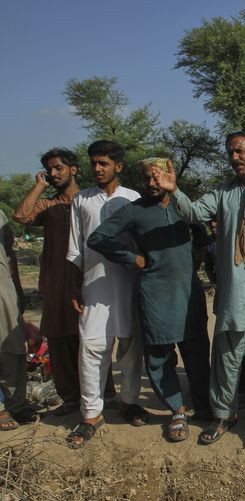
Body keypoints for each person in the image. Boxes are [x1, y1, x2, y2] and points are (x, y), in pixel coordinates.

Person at [152, 131, 245, 443]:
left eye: (239, 151)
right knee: (227, 355)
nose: (234, 157)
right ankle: (224, 414)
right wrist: (173, 190)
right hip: (236, 288)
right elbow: (194, 213)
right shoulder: (223, 193)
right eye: (230, 152)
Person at [87, 158, 212, 442]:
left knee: (196, 350)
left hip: (189, 291)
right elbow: (97, 238)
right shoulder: (134, 210)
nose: (153, 183)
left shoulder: (183, 207)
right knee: (159, 354)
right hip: (154, 292)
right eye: (147, 178)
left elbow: (201, 233)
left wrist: (194, 260)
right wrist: (132, 258)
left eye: (158, 177)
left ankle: (203, 405)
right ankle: (177, 410)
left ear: (170, 177)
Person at [13, 148, 117, 416]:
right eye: (50, 169)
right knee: (59, 338)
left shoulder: (91, 200)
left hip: (89, 278)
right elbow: (22, 216)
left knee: (91, 338)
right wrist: (39, 186)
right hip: (56, 282)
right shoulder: (48, 205)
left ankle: (105, 394)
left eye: (59, 167)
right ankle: (70, 398)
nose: (54, 173)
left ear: (73, 169)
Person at [65, 140, 146, 448]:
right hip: (93, 285)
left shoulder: (134, 199)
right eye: (94, 163)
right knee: (91, 348)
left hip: (129, 285)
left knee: (130, 348)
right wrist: (76, 287)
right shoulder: (81, 200)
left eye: (104, 163)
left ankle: (129, 402)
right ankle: (91, 414)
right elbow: (75, 248)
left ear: (118, 166)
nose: (97, 169)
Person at [0, 210, 35, 431]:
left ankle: (16, 403)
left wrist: (17, 290)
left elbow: (9, 254)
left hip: (2, 285)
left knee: (12, 343)